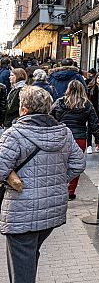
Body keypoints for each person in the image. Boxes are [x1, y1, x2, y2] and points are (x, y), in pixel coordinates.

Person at [0, 85, 85, 283]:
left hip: (21, 211)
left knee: (22, 267)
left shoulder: (15, 134)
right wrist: (54, 183)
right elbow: (78, 163)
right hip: (50, 211)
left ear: (23, 109)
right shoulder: (63, 132)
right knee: (29, 257)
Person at [50, 80, 99, 200]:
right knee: (75, 165)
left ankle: (59, 189)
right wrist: (98, 139)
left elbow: (50, 118)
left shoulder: (59, 102)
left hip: (61, 137)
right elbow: (94, 123)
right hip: (79, 138)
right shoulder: (86, 104)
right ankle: (70, 191)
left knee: (60, 165)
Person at [87, 73, 99, 154]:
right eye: (98, 78)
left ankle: (98, 144)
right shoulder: (90, 88)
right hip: (92, 111)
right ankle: (89, 145)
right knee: (89, 128)